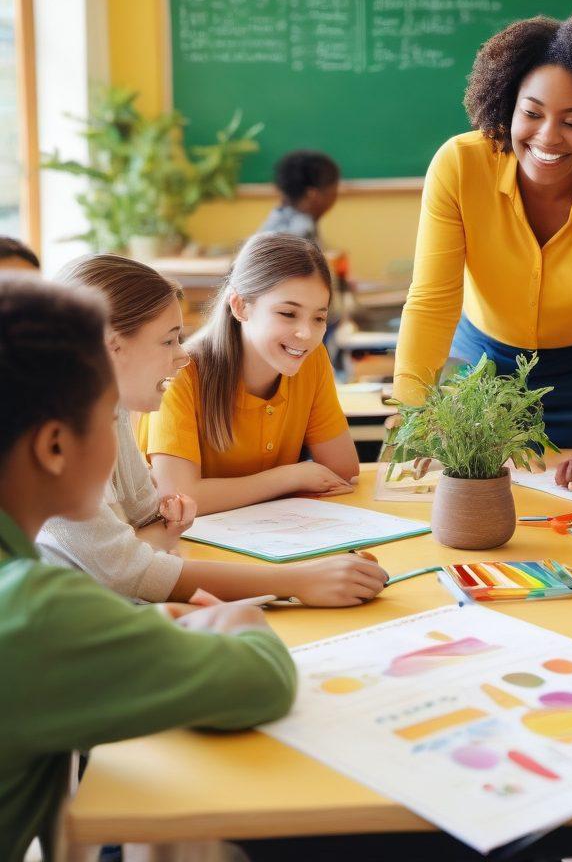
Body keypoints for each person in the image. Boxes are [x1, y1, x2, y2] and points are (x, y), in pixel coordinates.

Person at [0, 275, 296, 859]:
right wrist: (235, 623)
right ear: (55, 446)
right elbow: (261, 680)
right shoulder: (35, 608)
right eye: (106, 418)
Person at [393, 11, 572, 492]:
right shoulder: (460, 165)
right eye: (532, 113)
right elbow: (432, 304)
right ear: (507, 105)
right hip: (479, 370)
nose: (547, 137)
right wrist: (413, 419)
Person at [40, 254, 386, 607]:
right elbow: (130, 572)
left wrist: (155, 534)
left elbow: (148, 521)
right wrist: (298, 580)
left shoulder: (107, 412)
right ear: (111, 346)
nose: (181, 356)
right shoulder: (54, 447)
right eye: (169, 341)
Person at [139, 233, 360, 513]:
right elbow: (178, 496)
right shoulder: (181, 373)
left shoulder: (312, 360)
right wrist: (289, 477)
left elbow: (342, 470)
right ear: (240, 306)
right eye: (288, 314)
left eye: (319, 318)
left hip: (271, 537)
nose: (306, 334)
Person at [260, 150, 341, 245]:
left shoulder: (278, 216)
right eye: (334, 190)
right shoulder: (300, 231)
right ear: (313, 195)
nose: (335, 196)